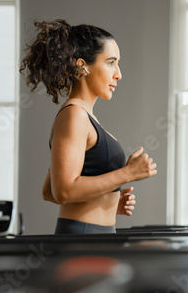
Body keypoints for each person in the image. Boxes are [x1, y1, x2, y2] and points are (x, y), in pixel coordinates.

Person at [19, 19, 157, 234]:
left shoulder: (83, 116)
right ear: (82, 66)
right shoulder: (74, 116)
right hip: (83, 239)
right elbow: (63, 191)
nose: (118, 74)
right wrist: (128, 173)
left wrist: (107, 202)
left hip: (95, 236)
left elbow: (49, 191)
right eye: (111, 62)